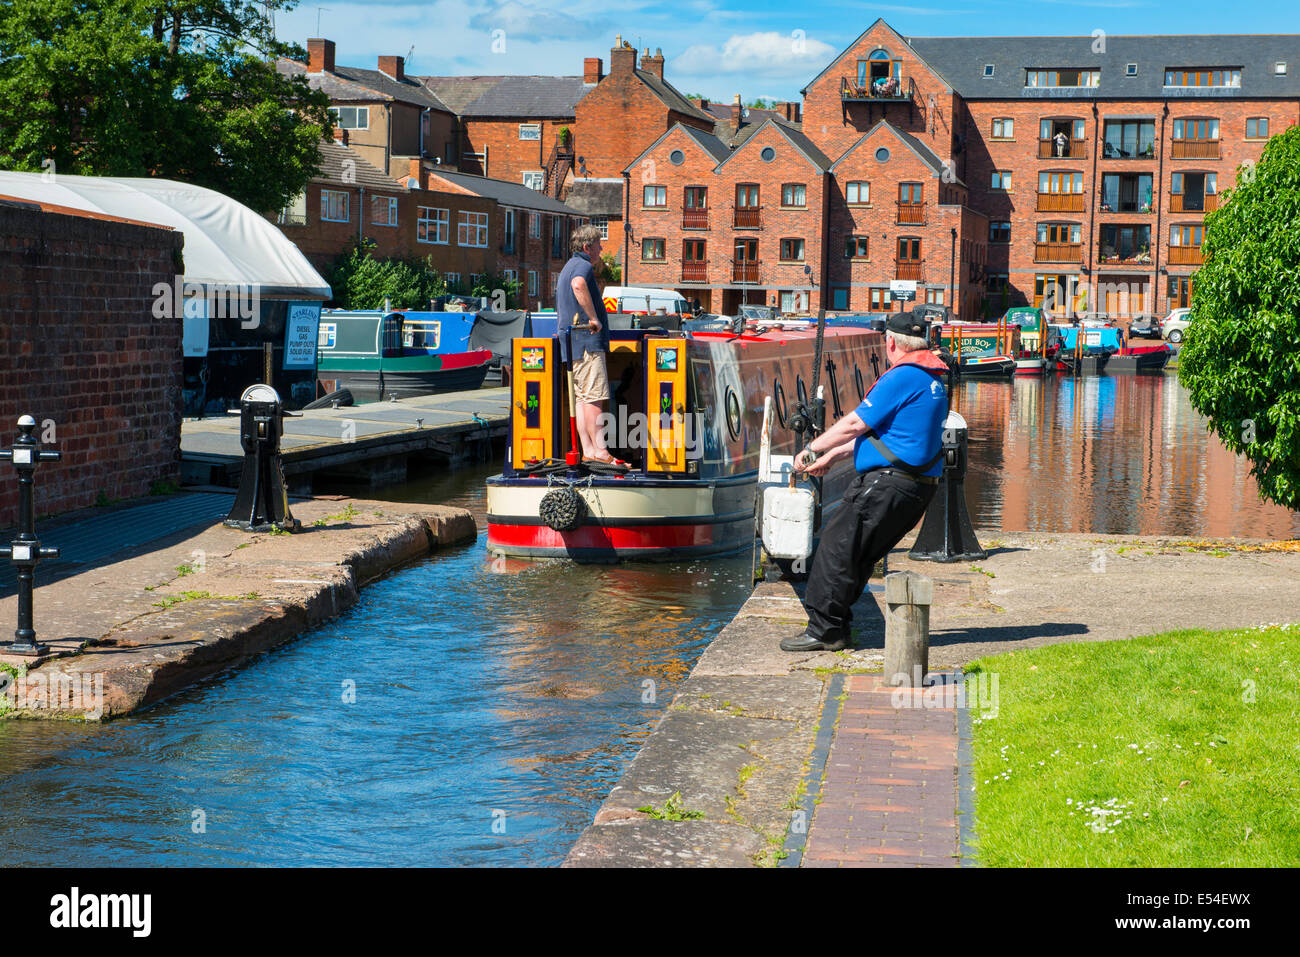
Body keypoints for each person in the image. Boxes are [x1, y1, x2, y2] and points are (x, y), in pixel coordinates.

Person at [780, 310, 950, 652]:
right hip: (916, 486)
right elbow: (886, 437)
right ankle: (836, 626)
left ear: (890, 342)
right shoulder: (932, 377)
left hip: (889, 483)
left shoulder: (902, 376)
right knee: (857, 554)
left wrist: (811, 450)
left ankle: (824, 630)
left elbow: (855, 425)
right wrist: (832, 457)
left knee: (835, 547)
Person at [555, 224, 624, 466]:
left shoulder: (567, 266)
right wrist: (594, 318)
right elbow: (578, 285)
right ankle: (602, 452)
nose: (601, 249)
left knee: (583, 399)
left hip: (572, 344)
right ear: (587, 247)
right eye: (598, 245)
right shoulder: (582, 266)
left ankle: (589, 450)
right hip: (587, 343)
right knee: (594, 397)